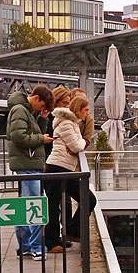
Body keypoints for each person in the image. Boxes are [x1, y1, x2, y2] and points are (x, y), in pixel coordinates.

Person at [7, 85, 54, 261]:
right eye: (41, 106)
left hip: (26, 163)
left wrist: (42, 119)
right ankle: (36, 247)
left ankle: (25, 246)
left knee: (25, 207)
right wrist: (42, 139)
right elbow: (19, 137)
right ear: (36, 98)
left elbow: (30, 133)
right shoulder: (20, 110)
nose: (41, 110)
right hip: (27, 164)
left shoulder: (24, 111)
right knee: (36, 206)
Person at [45, 96, 97, 253]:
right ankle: (54, 241)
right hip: (57, 167)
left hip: (63, 168)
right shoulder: (67, 124)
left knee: (58, 204)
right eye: (86, 110)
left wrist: (78, 145)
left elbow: (79, 144)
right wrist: (77, 145)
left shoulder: (72, 123)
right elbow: (78, 145)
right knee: (55, 205)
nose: (88, 114)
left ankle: (69, 233)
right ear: (78, 109)